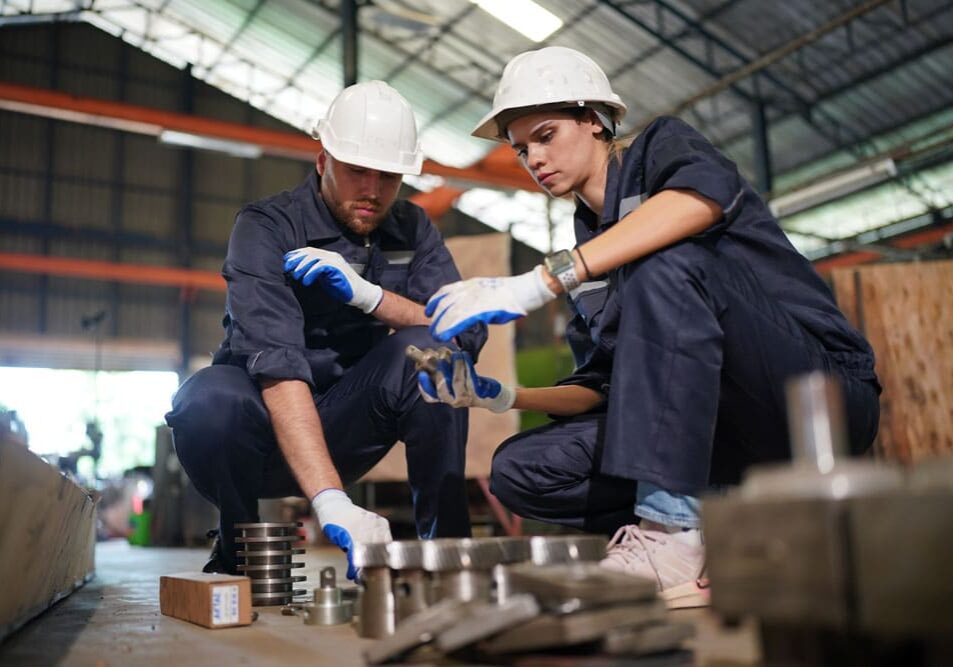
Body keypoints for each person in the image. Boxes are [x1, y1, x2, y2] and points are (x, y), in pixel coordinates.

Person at [418, 47, 880, 608]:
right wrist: (503, 396)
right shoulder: (589, 247)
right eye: (520, 149)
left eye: (545, 134)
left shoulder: (662, 150)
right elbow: (604, 389)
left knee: (665, 262)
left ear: (594, 119)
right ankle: (718, 526)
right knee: (520, 470)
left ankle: (670, 534)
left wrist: (543, 281)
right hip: (716, 439)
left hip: (816, 397)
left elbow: (702, 202)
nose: (532, 159)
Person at [166, 81, 485, 579]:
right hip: (257, 430)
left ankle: (445, 557)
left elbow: (463, 329)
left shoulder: (412, 229)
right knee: (208, 402)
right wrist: (332, 502)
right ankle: (240, 544)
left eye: (388, 175)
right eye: (357, 170)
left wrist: (373, 297)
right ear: (322, 162)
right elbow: (277, 364)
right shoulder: (266, 226)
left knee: (434, 354)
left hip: (347, 425)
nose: (373, 191)